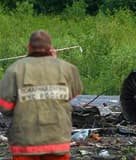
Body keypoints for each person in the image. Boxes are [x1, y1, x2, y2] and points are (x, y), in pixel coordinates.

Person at [0, 30, 83, 160]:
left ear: (28, 47)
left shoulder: (14, 70)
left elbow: (5, 107)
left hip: (24, 144)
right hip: (57, 141)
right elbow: (72, 94)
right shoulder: (68, 69)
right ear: (50, 48)